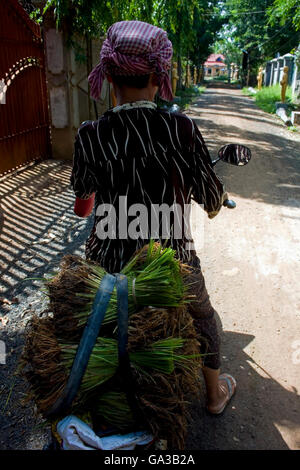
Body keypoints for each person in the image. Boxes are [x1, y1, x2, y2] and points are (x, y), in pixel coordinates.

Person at [70, 20, 236, 415]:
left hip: (107, 268)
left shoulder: (90, 134)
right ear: (160, 75)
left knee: (79, 324)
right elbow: (211, 200)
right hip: (174, 266)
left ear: (108, 74)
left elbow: (82, 205)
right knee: (206, 321)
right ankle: (214, 397)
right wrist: (212, 203)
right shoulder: (181, 129)